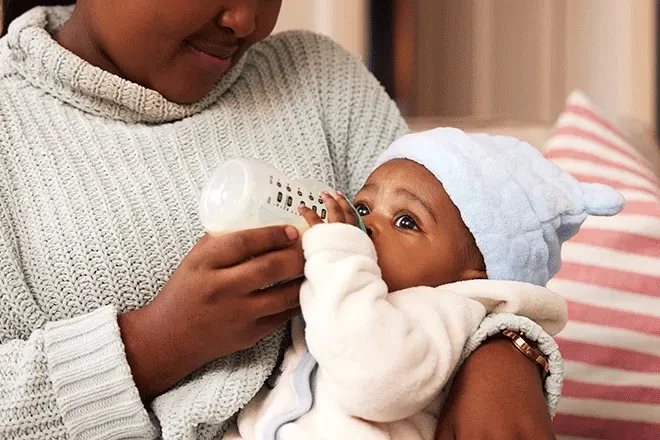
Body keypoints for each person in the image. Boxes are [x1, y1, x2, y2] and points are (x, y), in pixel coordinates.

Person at [0, 2, 562, 439]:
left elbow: (459, 248)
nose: (245, 21)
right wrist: (154, 343)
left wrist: (507, 350)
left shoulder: (319, 82)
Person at [226, 128, 624, 440]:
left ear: (476, 273)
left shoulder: (443, 310)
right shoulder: (354, 285)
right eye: (363, 207)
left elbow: (374, 382)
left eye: (406, 221)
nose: (367, 226)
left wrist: (336, 254)